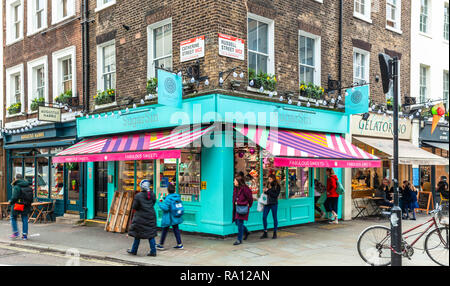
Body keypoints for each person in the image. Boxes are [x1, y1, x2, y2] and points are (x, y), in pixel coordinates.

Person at [127, 180, 158, 256]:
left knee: (137, 234)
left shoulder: (138, 196)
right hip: (151, 216)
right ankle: (153, 251)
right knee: (151, 235)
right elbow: (153, 202)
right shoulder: (152, 194)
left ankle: (134, 250)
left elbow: (135, 207)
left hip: (140, 217)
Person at [156, 183, 184, 250]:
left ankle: (161, 245)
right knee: (176, 229)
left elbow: (166, 208)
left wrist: (159, 203)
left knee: (165, 230)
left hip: (169, 217)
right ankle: (180, 244)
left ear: (168, 190)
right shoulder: (177, 197)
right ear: (174, 190)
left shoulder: (168, 198)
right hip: (175, 216)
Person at [9, 174, 33, 240]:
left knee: (13, 217)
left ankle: (16, 233)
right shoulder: (28, 186)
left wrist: (11, 202)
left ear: (16, 179)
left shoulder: (17, 186)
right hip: (26, 205)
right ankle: (24, 235)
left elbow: (14, 197)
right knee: (25, 219)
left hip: (18, 205)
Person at [232, 175, 253, 245]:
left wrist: (248, 205)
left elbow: (250, 198)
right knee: (237, 223)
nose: (233, 182)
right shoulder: (236, 188)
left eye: (234, 180)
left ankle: (239, 239)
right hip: (236, 208)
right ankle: (246, 232)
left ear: (238, 181)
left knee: (240, 223)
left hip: (242, 208)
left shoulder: (245, 189)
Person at [260, 174, 281, 239]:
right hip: (267, 203)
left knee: (274, 218)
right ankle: (265, 232)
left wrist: (268, 191)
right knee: (264, 217)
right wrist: (265, 191)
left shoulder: (277, 186)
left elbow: (275, 195)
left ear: (274, 179)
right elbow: (266, 194)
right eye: (268, 179)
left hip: (274, 203)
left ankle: (275, 232)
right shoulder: (267, 185)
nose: (269, 180)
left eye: (270, 179)